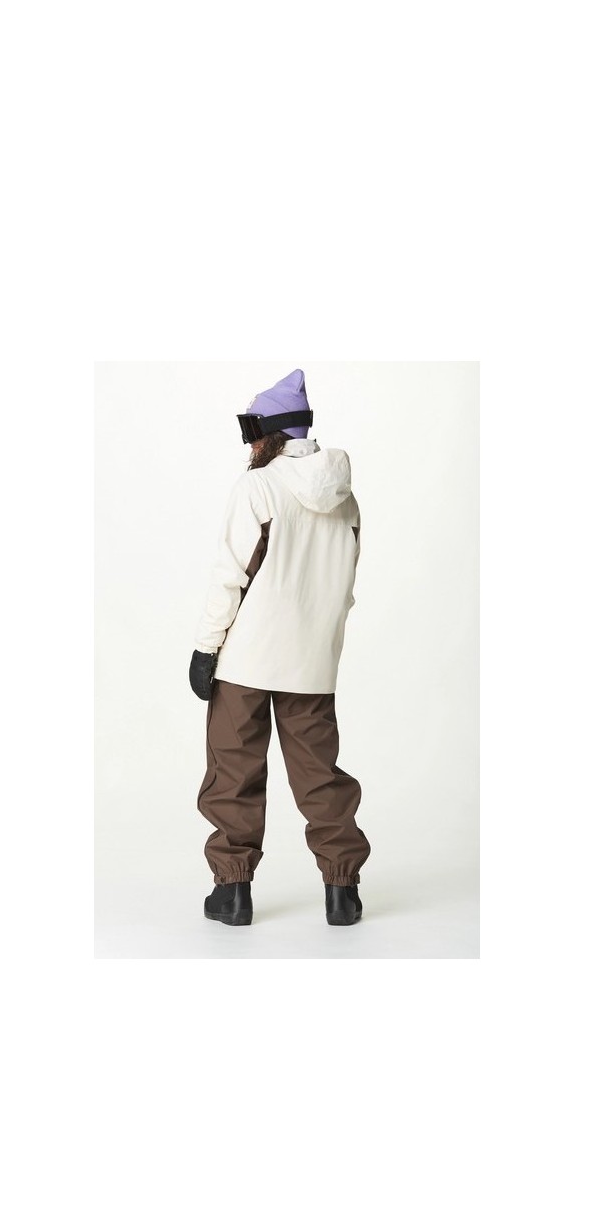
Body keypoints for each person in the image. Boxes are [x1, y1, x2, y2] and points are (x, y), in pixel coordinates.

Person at [190, 369, 371, 927]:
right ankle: (342, 894)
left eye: (252, 431)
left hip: (247, 658)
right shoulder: (345, 499)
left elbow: (231, 575)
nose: (248, 444)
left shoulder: (257, 487)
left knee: (234, 773)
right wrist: (320, 643)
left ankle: (233, 893)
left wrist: (206, 649)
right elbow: (344, 583)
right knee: (321, 777)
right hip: (311, 662)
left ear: (269, 433)